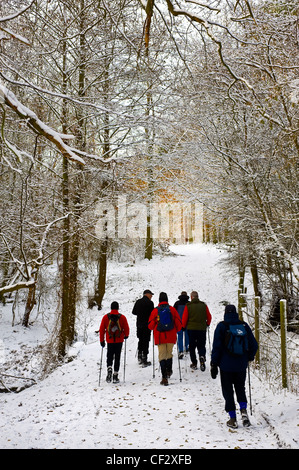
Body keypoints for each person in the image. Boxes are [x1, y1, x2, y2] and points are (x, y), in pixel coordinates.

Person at [210, 304, 258, 429]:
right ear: (236, 313)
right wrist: (250, 356)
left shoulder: (222, 326)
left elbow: (217, 347)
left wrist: (214, 363)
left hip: (225, 366)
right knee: (240, 388)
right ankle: (244, 412)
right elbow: (254, 345)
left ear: (225, 313)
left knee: (228, 391)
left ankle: (232, 418)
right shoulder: (243, 325)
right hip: (241, 365)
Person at [148, 292, 182, 386]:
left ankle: (164, 377)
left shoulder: (155, 311)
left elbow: (150, 326)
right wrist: (176, 330)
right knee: (169, 354)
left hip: (160, 336)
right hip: (171, 335)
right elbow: (179, 324)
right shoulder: (172, 309)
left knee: (162, 355)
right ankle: (169, 370)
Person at [99, 301, 130, 384]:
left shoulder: (106, 317)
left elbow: (102, 330)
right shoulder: (122, 317)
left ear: (111, 308)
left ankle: (109, 368)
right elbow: (126, 328)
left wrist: (102, 340)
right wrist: (126, 335)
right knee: (117, 356)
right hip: (119, 340)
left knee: (109, 355)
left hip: (109, 340)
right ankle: (115, 375)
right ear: (118, 307)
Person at [182, 291, 212, 371]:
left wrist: (183, 326)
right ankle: (202, 356)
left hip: (191, 329)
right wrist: (207, 323)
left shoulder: (188, 306)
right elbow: (209, 316)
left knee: (192, 346)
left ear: (191, 297)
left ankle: (194, 363)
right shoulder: (203, 305)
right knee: (201, 345)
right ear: (198, 297)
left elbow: (185, 317)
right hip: (202, 329)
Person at [132, 289, 154, 367]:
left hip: (139, 325)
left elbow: (133, 312)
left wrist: (140, 313)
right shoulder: (150, 303)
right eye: (151, 294)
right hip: (147, 325)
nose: (151, 296)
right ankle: (145, 358)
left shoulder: (138, 302)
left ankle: (140, 355)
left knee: (140, 340)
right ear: (147, 294)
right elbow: (152, 314)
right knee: (146, 341)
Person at [174, 291, 190, 359]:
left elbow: (174, 313)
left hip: (179, 322)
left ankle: (180, 350)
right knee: (187, 335)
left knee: (180, 336)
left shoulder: (177, 303)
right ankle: (186, 347)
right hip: (187, 322)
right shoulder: (189, 303)